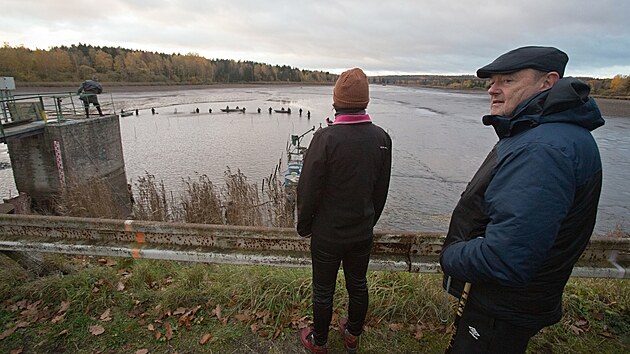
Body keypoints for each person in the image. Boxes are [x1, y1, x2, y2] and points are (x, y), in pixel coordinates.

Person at [440, 46, 604, 353]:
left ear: (548, 82)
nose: (493, 89)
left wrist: (450, 255)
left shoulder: (542, 150)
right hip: (515, 301)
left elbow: (506, 258)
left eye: (508, 80)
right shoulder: (549, 134)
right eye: (493, 81)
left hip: (501, 305)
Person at [297, 67, 392, 353]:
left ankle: (320, 342)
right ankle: (352, 333)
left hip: (328, 233)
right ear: (365, 101)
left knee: (323, 290)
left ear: (336, 102)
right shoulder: (382, 139)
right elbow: (381, 190)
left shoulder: (325, 138)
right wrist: (368, 221)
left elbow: (308, 189)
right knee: (358, 284)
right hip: (361, 232)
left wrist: (304, 226)